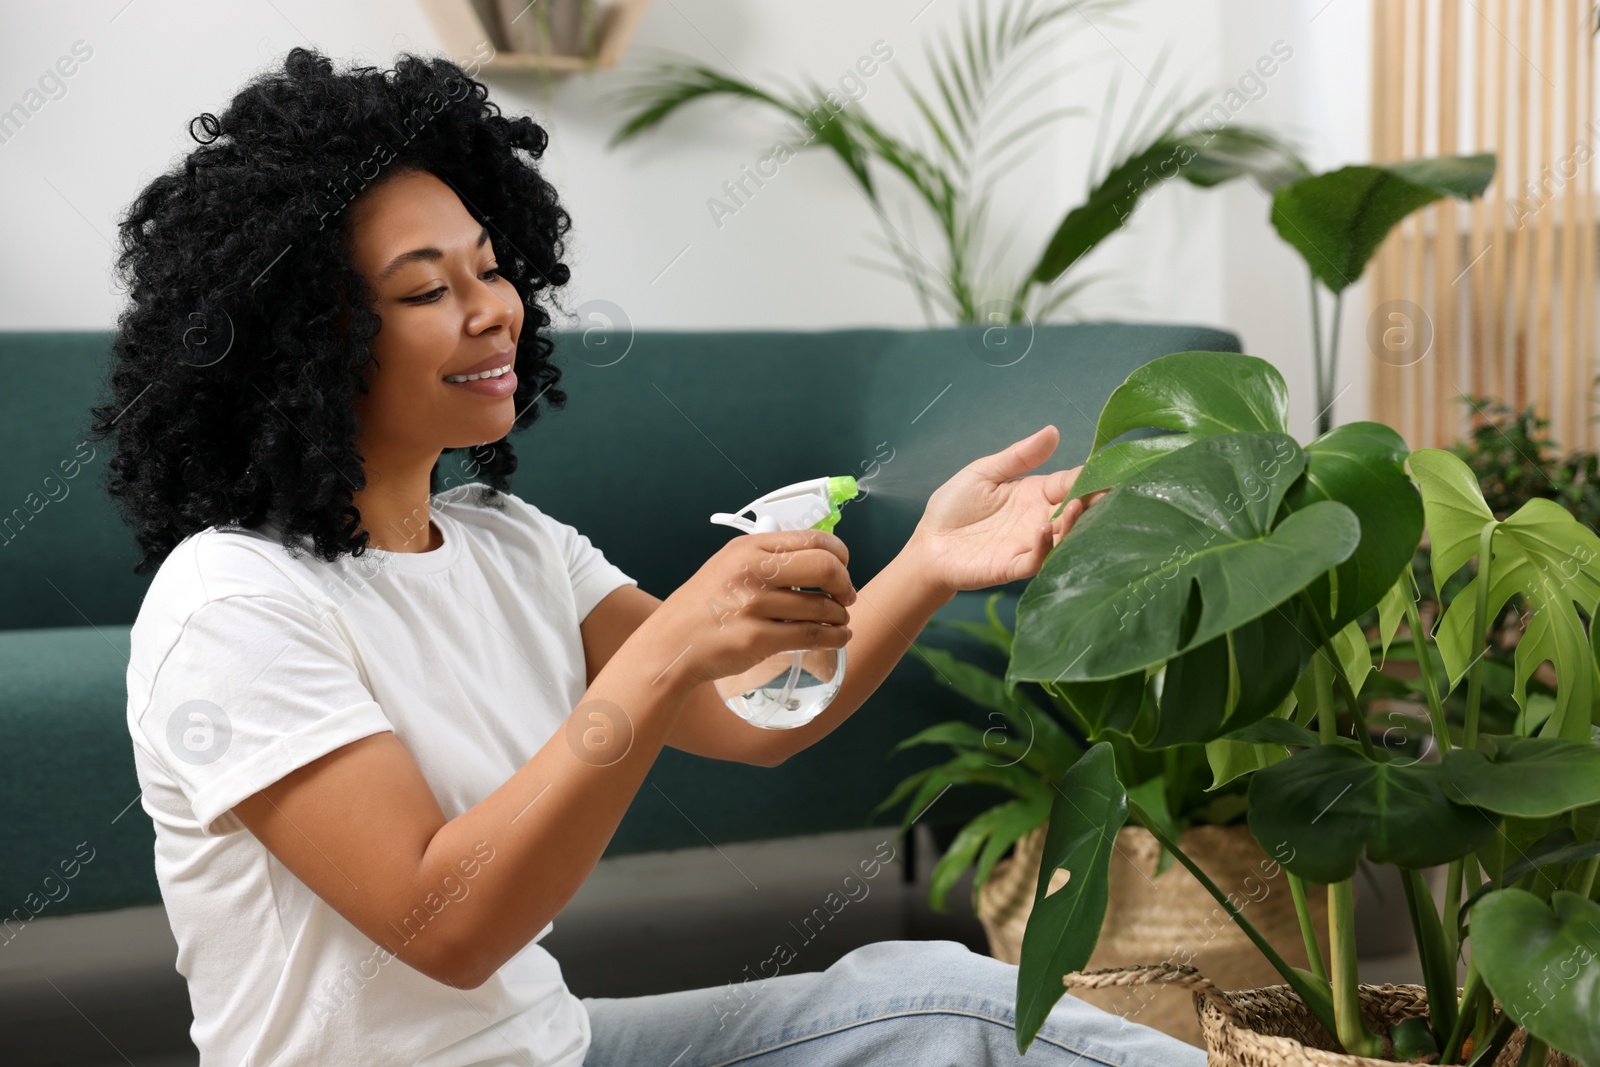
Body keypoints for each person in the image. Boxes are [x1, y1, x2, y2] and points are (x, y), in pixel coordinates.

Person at [89, 46, 1201, 1067]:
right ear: (301, 342)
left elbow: (758, 714)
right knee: (943, 1023)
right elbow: (446, 925)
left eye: (490, 268)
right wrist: (664, 648)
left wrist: (925, 561)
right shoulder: (232, 603)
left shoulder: (506, 539)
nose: (494, 313)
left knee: (925, 995)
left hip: (554, 1045)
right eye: (429, 290)